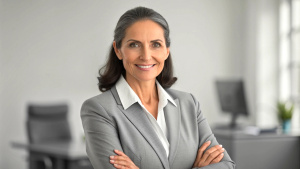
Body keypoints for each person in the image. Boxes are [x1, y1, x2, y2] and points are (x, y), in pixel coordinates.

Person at [81, 6, 235, 169]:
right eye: (134, 44)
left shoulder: (188, 103)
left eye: (156, 44)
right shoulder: (99, 109)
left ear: (166, 51)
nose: (146, 56)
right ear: (118, 50)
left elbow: (226, 165)